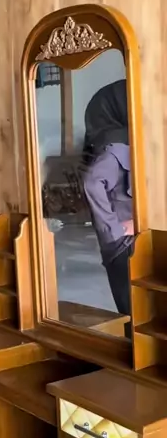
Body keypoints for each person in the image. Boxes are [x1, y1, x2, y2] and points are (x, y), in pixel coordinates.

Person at [82, 79, 134, 322]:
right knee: (134, 314)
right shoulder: (115, 148)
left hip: (129, 240)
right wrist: (114, 232)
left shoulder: (129, 142)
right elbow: (92, 183)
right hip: (124, 243)